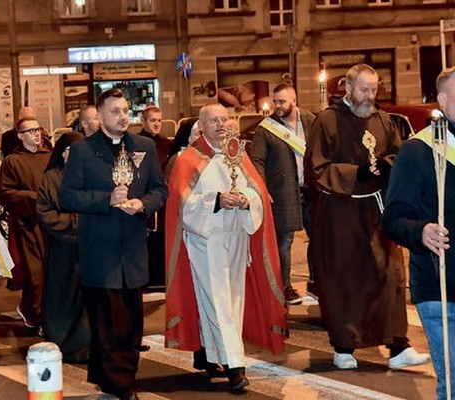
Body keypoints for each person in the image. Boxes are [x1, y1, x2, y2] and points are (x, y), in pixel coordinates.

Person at [305, 63, 430, 370]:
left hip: (376, 209)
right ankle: (344, 346)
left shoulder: (383, 120)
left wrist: (389, 164)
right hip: (341, 213)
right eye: (364, 89)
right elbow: (316, 168)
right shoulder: (327, 121)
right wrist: (355, 173)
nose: (370, 96)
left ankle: (398, 345)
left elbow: (398, 153)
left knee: (388, 276)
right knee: (346, 278)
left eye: (374, 89)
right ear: (347, 89)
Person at [164, 103, 287, 394]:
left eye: (225, 119)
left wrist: (245, 199)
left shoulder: (238, 154)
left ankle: (210, 353)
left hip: (237, 239)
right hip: (206, 242)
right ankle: (235, 367)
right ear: (202, 126)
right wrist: (218, 200)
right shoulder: (189, 159)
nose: (221, 125)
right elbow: (184, 206)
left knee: (231, 303)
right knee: (219, 301)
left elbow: (258, 192)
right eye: (214, 121)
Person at [60, 88, 167, 400]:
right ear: (100, 117)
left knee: (132, 324)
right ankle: (122, 383)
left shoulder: (144, 147)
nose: (122, 116)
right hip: (100, 251)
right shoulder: (83, 151)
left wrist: (143, 204)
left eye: (125, 110)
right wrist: (105, 199)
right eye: (115, 112)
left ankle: (115, 375)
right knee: (110, 322)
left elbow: (160, 189)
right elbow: (67, 196)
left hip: (133, 250)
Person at [383, 66, 455, 399]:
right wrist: (421, 231)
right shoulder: (418, 151)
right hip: (442, 290)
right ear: (443, 99)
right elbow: (394, 218)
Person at [250, 83, 316, 305]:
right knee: (284, 240)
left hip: (311, 190)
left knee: (317, 237)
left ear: (294, 101)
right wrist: (263, 188)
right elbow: (256, 161)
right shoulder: (265, 128)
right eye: (275, 101)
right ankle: (284, 286)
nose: (277, 106)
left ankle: (316, 282)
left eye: (282, 102)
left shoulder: (311, 121)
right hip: (283, 191)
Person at [36, 130, 90, 364]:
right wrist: (76, 223)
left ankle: (86, 345)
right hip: (61, 249)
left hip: (88, 249)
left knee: (86, 300)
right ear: (65, 153)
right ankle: (62, 343)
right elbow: (46, 214)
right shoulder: (51, 178)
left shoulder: (91, 176)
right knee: (62, 297)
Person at [0, 117, 51, 332]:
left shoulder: (49, 156)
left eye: (37, 130)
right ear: (20, 135)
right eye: (30, 131)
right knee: (35, 273)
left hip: (51, 222)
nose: (36, 134)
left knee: (51, 272)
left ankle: (44, 314)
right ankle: (36, 316)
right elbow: (7, 192)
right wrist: (35, 198)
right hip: (27, 224)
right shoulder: (12, 161)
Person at [139, 105, 172, 288]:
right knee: (148, 239)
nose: (157, 124)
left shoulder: (166, 143)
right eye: (153, 121)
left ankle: (161, 276)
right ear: (144, 121)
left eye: (159, 121)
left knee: (161, 238)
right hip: (146, 196)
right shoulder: (136, 142)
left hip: (163, 198)